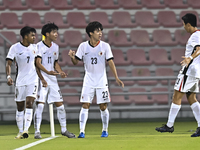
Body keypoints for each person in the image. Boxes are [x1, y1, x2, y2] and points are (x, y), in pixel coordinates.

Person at [68, 21, 124, 138]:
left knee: (103, 106)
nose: (100, 33)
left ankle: (105, 129)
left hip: (101, 81)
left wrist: (116, 77)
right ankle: (82, 131)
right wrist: (72, 57)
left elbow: (110, 62)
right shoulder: (83, 46)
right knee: (85, 105)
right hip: (88, 80)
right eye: (98, 31)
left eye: (101, 31)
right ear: (90, 33)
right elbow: (75, 62)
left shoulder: (105, 46)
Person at [155, 13, 200, 137]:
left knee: (176, 96)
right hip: (195, 72)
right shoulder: (198, 35)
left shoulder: (195, 36)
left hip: (188, 72)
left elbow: (199, 49)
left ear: (189, 24)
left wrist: (189, 58)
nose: (183, 27)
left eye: (184, 24)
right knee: (192, 98)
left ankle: (169, 125)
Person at [33, 23, 76, 139]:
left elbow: (55, 63)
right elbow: (37, 64)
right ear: (47, 34)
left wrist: (60, 72)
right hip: (41, 77)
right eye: (54, 32)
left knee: (60, 105)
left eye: (57, 32)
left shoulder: (56, 47)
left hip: (52, 78)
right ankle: (37, 131)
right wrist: (45, 75)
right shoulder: (38, 46)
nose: (56, 34)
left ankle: (64, 130)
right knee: (40, 105)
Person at [6, 26, 38, 139]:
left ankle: (26, 130)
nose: (34, 37)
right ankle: (20, 131)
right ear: (25, 36)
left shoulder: (35, 48)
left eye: (34, 35)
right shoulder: (15, 48)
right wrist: (8, 76)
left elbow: (38, 64)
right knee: (20, 106)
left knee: (29, 103)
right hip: (20, 81)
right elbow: (8, 63)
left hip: (33, 80)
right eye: (32, 35)